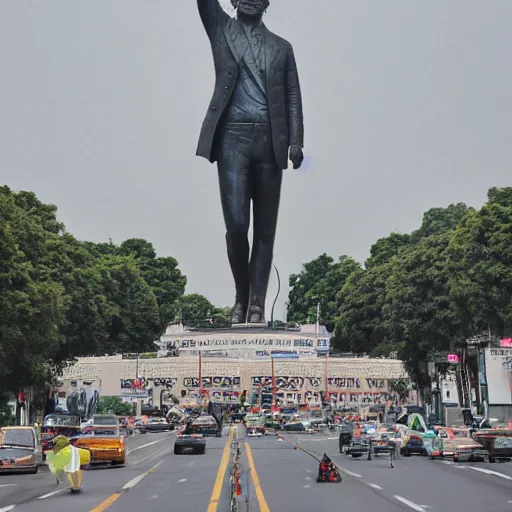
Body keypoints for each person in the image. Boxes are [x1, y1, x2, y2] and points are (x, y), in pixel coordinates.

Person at [196, 0, 305, 324]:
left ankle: (256, 304)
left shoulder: (282, 48)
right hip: (232, 138)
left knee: (265, 230)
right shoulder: (220, 29)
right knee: (237, 225)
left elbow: (293, 96)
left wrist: (297, 140)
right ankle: (241, 294)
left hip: (270, 141)